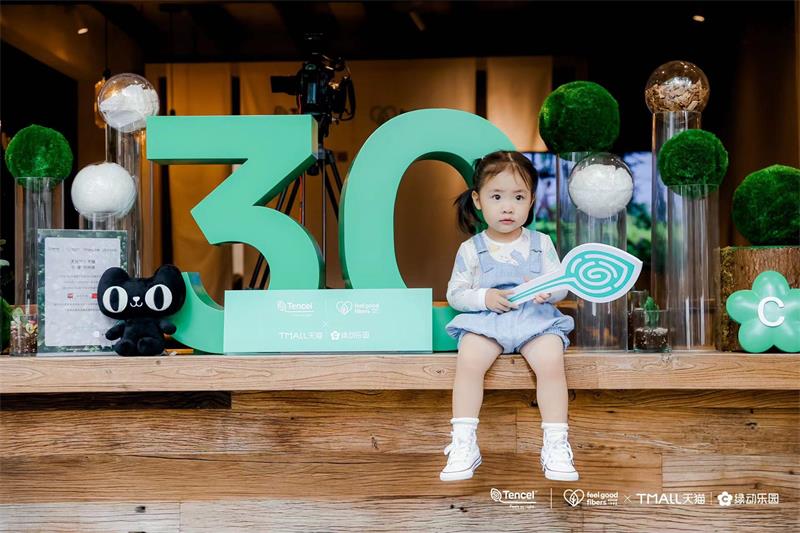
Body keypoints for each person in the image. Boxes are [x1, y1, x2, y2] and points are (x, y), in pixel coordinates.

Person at [440, 150, 578, 482]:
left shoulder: (541, 243)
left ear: (531, 201)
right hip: (488, 321)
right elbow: (456, 292)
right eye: (497, 196)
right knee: (469, 358)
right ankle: (464, 442)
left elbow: (561, 284)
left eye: (518, 197)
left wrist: (549, 292)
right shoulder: (471, 249)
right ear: (478, 200)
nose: (507, 207)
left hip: (534, 320)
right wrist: (483, 297)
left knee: (551, 360)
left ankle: (556, 442)